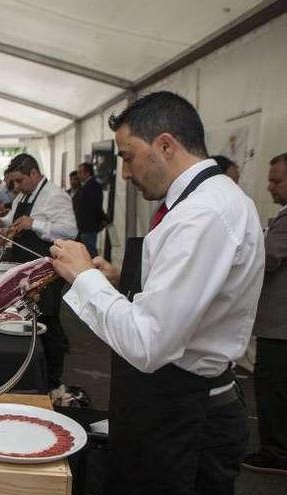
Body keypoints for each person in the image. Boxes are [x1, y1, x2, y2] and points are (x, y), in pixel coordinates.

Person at [50, 91, 264, 494]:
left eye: (128, 157)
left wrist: (85, 279)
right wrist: (120, 281)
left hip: (186, 417)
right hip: (171, 403)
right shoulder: (197, 203)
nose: (125, 174)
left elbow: (150, 341)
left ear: (165, 145)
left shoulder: (204, 214)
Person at [0, 154, 77, 393]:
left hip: (46, 269)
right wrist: (0, 223)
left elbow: (70, 230)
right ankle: (33, 370)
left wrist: (35, 224)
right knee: (31, 318)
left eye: (20, 181)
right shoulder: (24, 194)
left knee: (48, 320)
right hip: (23, 266)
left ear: (34, 173)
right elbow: (11, 218)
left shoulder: (55, 195)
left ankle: (52, 379)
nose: (17, 187)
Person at [243, 153, 287, 475]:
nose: (269, 186)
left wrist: (254, 240)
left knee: (273, 388)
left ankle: (276, 452)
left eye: (276, 180)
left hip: (280, 325)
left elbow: (268, 257)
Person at [72, 162, 105, 257]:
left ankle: (94, 270)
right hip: (83, 226)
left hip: (88, 226)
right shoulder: (84, 186)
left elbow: (95, 207)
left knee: (90, 253)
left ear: (87, 173)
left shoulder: (93, 186)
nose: (78, 175)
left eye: (80, 172)